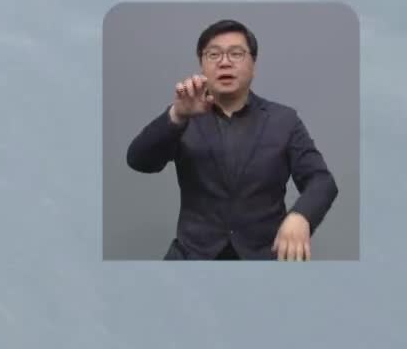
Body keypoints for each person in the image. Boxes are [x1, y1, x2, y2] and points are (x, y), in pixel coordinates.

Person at [124, 18, 339, 260]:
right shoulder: (184, 114)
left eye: (236, 54)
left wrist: (302, 216)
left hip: (263, 259)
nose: (224, 62)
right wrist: (177, 115)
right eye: (213, 55)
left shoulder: (284, 120)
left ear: (253, 64)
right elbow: (139, 160)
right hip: (191, 257)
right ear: (202, 65)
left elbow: (321, 180)